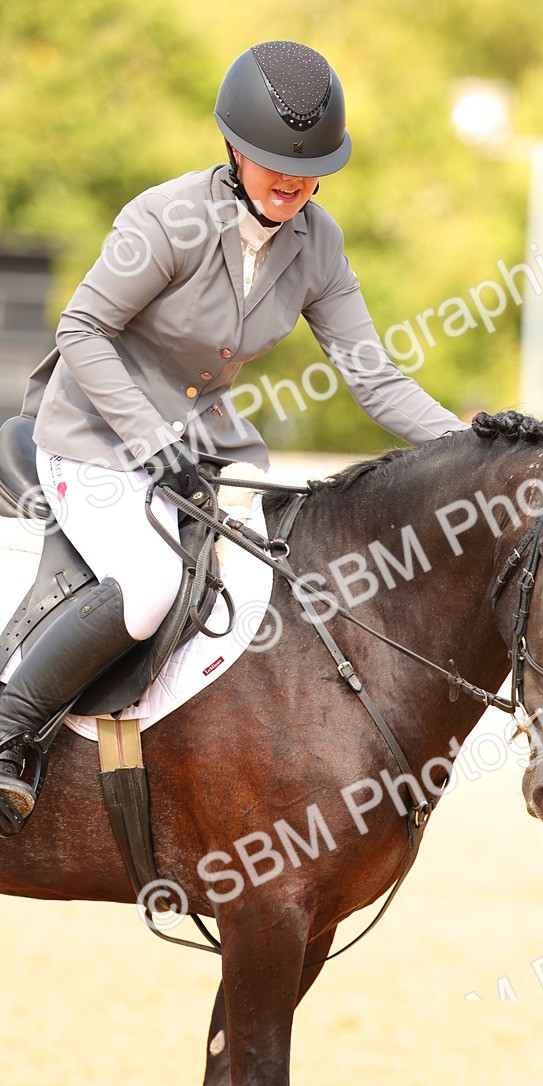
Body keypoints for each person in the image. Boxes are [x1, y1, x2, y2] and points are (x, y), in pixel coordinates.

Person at [0, 39, 467, 836]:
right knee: (148, 585)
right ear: (233, 149)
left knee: (274, 589)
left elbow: (372, 377)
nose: (291, 180)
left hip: (205, 448)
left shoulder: (319, 245)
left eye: (312, 164)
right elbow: (82, 329)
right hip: (93, 436)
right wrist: (149, 437)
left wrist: (476, 445)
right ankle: (8, 728)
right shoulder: (169, 219)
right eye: (269, 159)